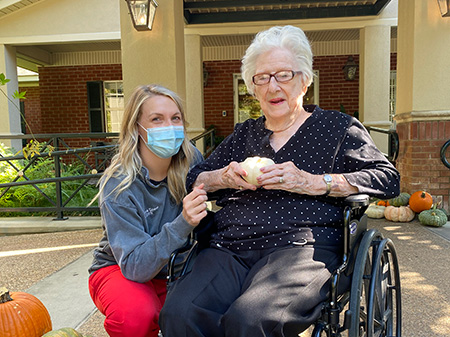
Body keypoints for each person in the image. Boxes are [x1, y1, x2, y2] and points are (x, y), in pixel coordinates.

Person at [159, 25, 400, 337]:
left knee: (251, 320)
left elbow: (386, 178)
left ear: (304, 80)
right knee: (179, 314)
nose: (273, 86)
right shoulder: (244, 134)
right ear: (253, 87)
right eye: (262, 78)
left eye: (283, 74)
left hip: (301, 247)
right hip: (230, 247)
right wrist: (223, 176)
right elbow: (195, 178)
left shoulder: (337, 128)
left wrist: (313, 182)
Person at [88, 84, 208, 337]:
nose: (170, 127)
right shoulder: (119, 184)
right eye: (157, 119)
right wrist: (183, 221)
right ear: (137, 128)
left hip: (175, 268)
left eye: (175, 118)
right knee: (137, 315)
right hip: (121, 270)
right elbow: (134, 267)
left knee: (207, 311)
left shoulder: (190, 159)